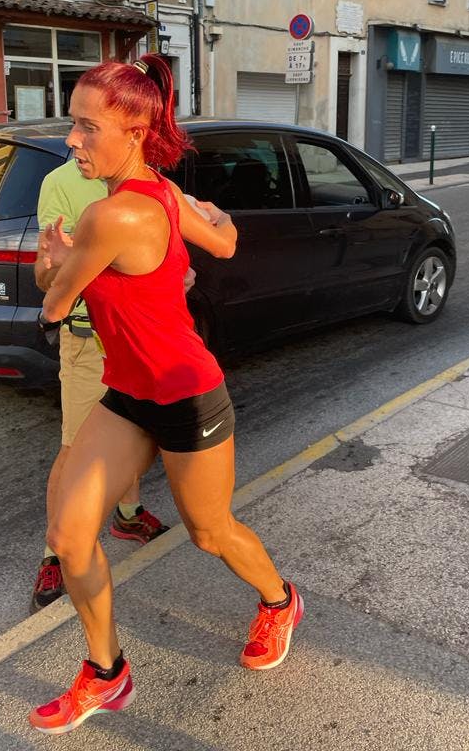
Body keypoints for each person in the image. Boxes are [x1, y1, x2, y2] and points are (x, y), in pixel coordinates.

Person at [28, 54, 302, 735]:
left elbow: (54, 307)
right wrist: (216, 218)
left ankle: (279, 600)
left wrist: (50, 258)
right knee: (67, 534)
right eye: (74, 125)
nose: (72, 141)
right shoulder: (165, 193)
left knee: (211, 532)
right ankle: (106, 671)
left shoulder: (111, 216)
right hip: (128, 390)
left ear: (134, 132)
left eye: (88, 129)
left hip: (185, 394)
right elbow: (227, 241)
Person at [30, 159, 169, 614]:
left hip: (143, 335)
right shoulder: (62, 183)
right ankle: (54, 555)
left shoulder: (151, 180)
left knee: (136, 432)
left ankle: (128, 516)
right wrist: (61, 264)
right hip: (90, 339)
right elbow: (45, 275)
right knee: (75, 449)